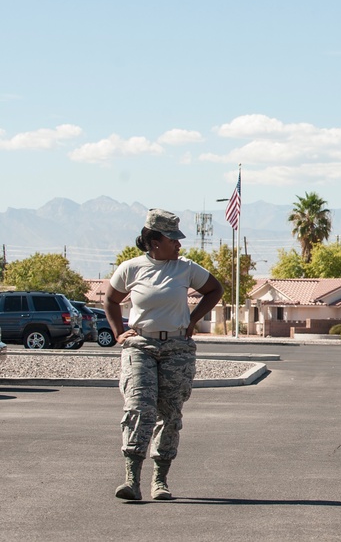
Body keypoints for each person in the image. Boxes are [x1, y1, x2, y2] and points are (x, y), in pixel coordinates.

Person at [105, 209, 223, 501]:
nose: (179, 245)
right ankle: (132, 479)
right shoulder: (130, 268)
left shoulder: (186, 268)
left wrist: (192, 320)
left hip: (176, 349)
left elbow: (214, 290)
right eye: (173, 239)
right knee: (138, 407)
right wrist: (119, 331)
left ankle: (160, 480)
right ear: (155, 240)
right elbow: (110, 299)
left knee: (169, 413)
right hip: (140, 346)